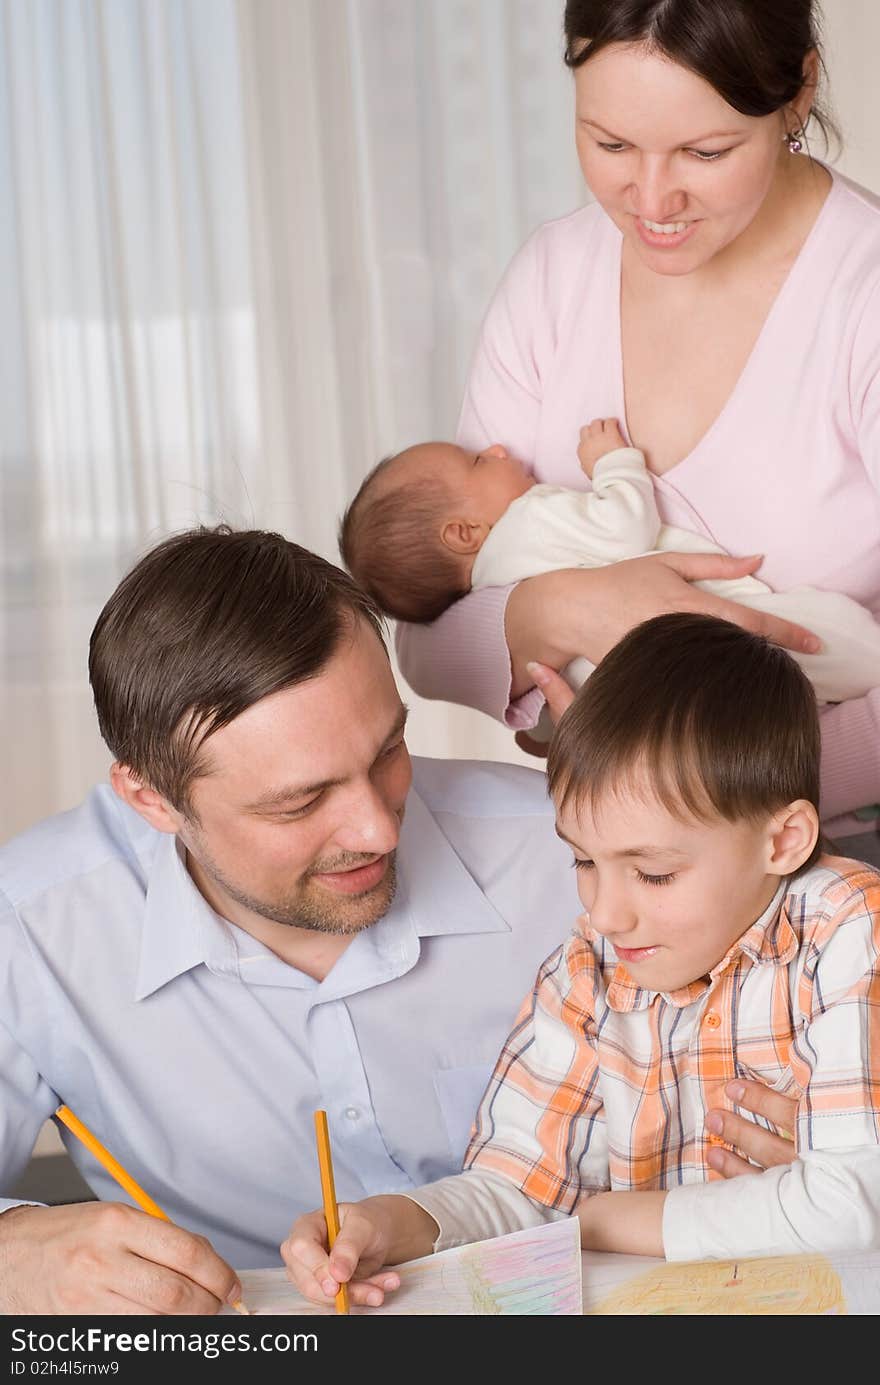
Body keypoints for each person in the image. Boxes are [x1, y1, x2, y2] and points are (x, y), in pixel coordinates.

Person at [392, 0, 880, 864]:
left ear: (799, 93)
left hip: (837, 856)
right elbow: (430, 637)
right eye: (610, 144)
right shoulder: (553, 280)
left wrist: (683, 786)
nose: (652, 199)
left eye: (706, 151)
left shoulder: (862, 295)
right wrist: (573, 607)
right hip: (618, 862)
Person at [280, 614, 880, 1309]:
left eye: (653, 873)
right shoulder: (588, 969)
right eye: (584, 860)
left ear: (784, 841)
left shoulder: (850, 930)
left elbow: (853, 1206)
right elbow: (520, 1187)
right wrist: (390, 1222)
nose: (606, 912)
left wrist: (606, 1220)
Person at [339, 416, 880, 741]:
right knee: (833, 639)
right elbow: (624, 527)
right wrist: (614, 462)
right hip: (720, 614)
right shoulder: (530, 517)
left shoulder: (493, 592)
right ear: (463, 533)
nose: (498, 449)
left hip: (670, 698)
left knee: (786, 699)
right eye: (479, 462)